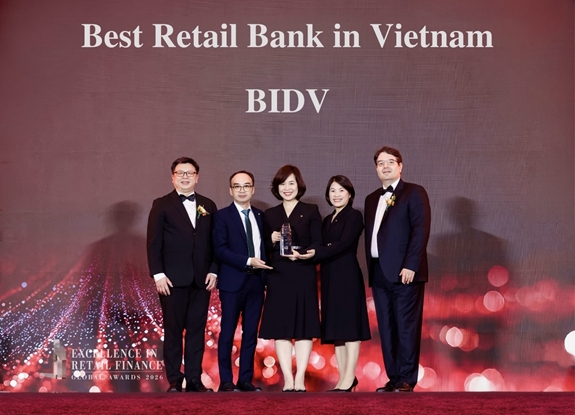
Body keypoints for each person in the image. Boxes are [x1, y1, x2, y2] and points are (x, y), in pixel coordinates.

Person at [146, 157, 218, 393]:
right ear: (173, 177)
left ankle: (194, 379)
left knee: (197, 331)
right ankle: (175, 380)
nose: (185, 177)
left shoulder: (208, 205)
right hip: (172, 280)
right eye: (180, 173)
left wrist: (213, 269)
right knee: (173, 331)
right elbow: (153, 243)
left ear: (197, 177)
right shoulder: (161, 204)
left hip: (201, 280)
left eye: (190, 173)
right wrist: (158, 274)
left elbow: (216, 243)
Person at [364, 146, 431, 393]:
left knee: (406, 326)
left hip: (405, 273)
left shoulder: (414, 192)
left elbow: (420, 230)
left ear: (400, 166)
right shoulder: (372, 199)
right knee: (387, 327)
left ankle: (406, 378)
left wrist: (411, 265)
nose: (385, 166)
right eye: (380, 163)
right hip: (379, 272)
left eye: (390, 162)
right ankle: (393, 377)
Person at [258, 165, 322, 392]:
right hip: (278, 274)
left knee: (304, 327)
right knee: (281, 328)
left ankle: (300, 377)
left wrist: (303, 254)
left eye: (291, 183)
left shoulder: (311, 210)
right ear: (277, 187)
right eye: (283, 183)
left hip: (303, 271)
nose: (287, 188)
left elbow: (317, 242)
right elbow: (262, 248)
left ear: (299, 185)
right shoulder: (270, 214)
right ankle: (287, 378)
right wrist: (272, 240)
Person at [213, 171, 272, 392]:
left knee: (251, 334)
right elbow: (220, 249)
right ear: (231, 190)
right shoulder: (222, 216)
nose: (242, 190)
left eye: (246, 186)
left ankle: (245, 379)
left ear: (253, 189)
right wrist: (247, 261)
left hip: (256, 283)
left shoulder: (260, 215)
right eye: (237, 186)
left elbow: (264, 247)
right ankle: (226, 381)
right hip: (232, 282)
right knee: (227, 332)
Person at [311, 175, 370, 392]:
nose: (336, 195)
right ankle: (344, 378)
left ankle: (349, 376)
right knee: (337, 330)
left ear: (350, 194)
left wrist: (320, 251)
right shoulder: (328, 220)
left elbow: (343, 244)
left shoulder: (354, 216)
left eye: (341, 190)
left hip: (346, 275)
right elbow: (323, 245)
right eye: (333, 191)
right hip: (329, 276)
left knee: (350, 329)